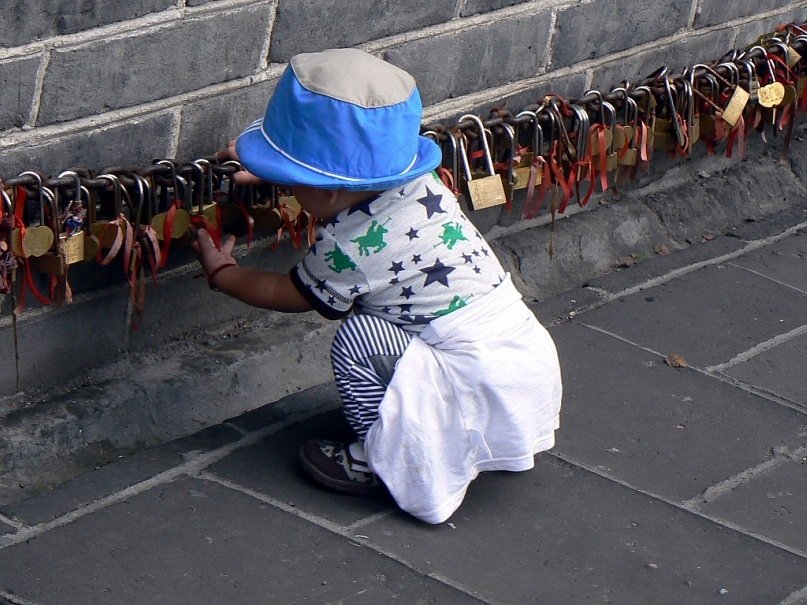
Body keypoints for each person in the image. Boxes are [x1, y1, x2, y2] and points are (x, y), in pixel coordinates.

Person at [193, 48, 562, 524]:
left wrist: (225, 274)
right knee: (386, 324)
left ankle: (386, 459)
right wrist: (281, 168)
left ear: (325, 190)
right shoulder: (424, 190)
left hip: (474, 379)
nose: (286, 190)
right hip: (523, 366)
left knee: (357, 338)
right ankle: (453, 426)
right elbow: (337, 183)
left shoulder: (351, 250)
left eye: (290, 182)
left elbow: (289, 294)